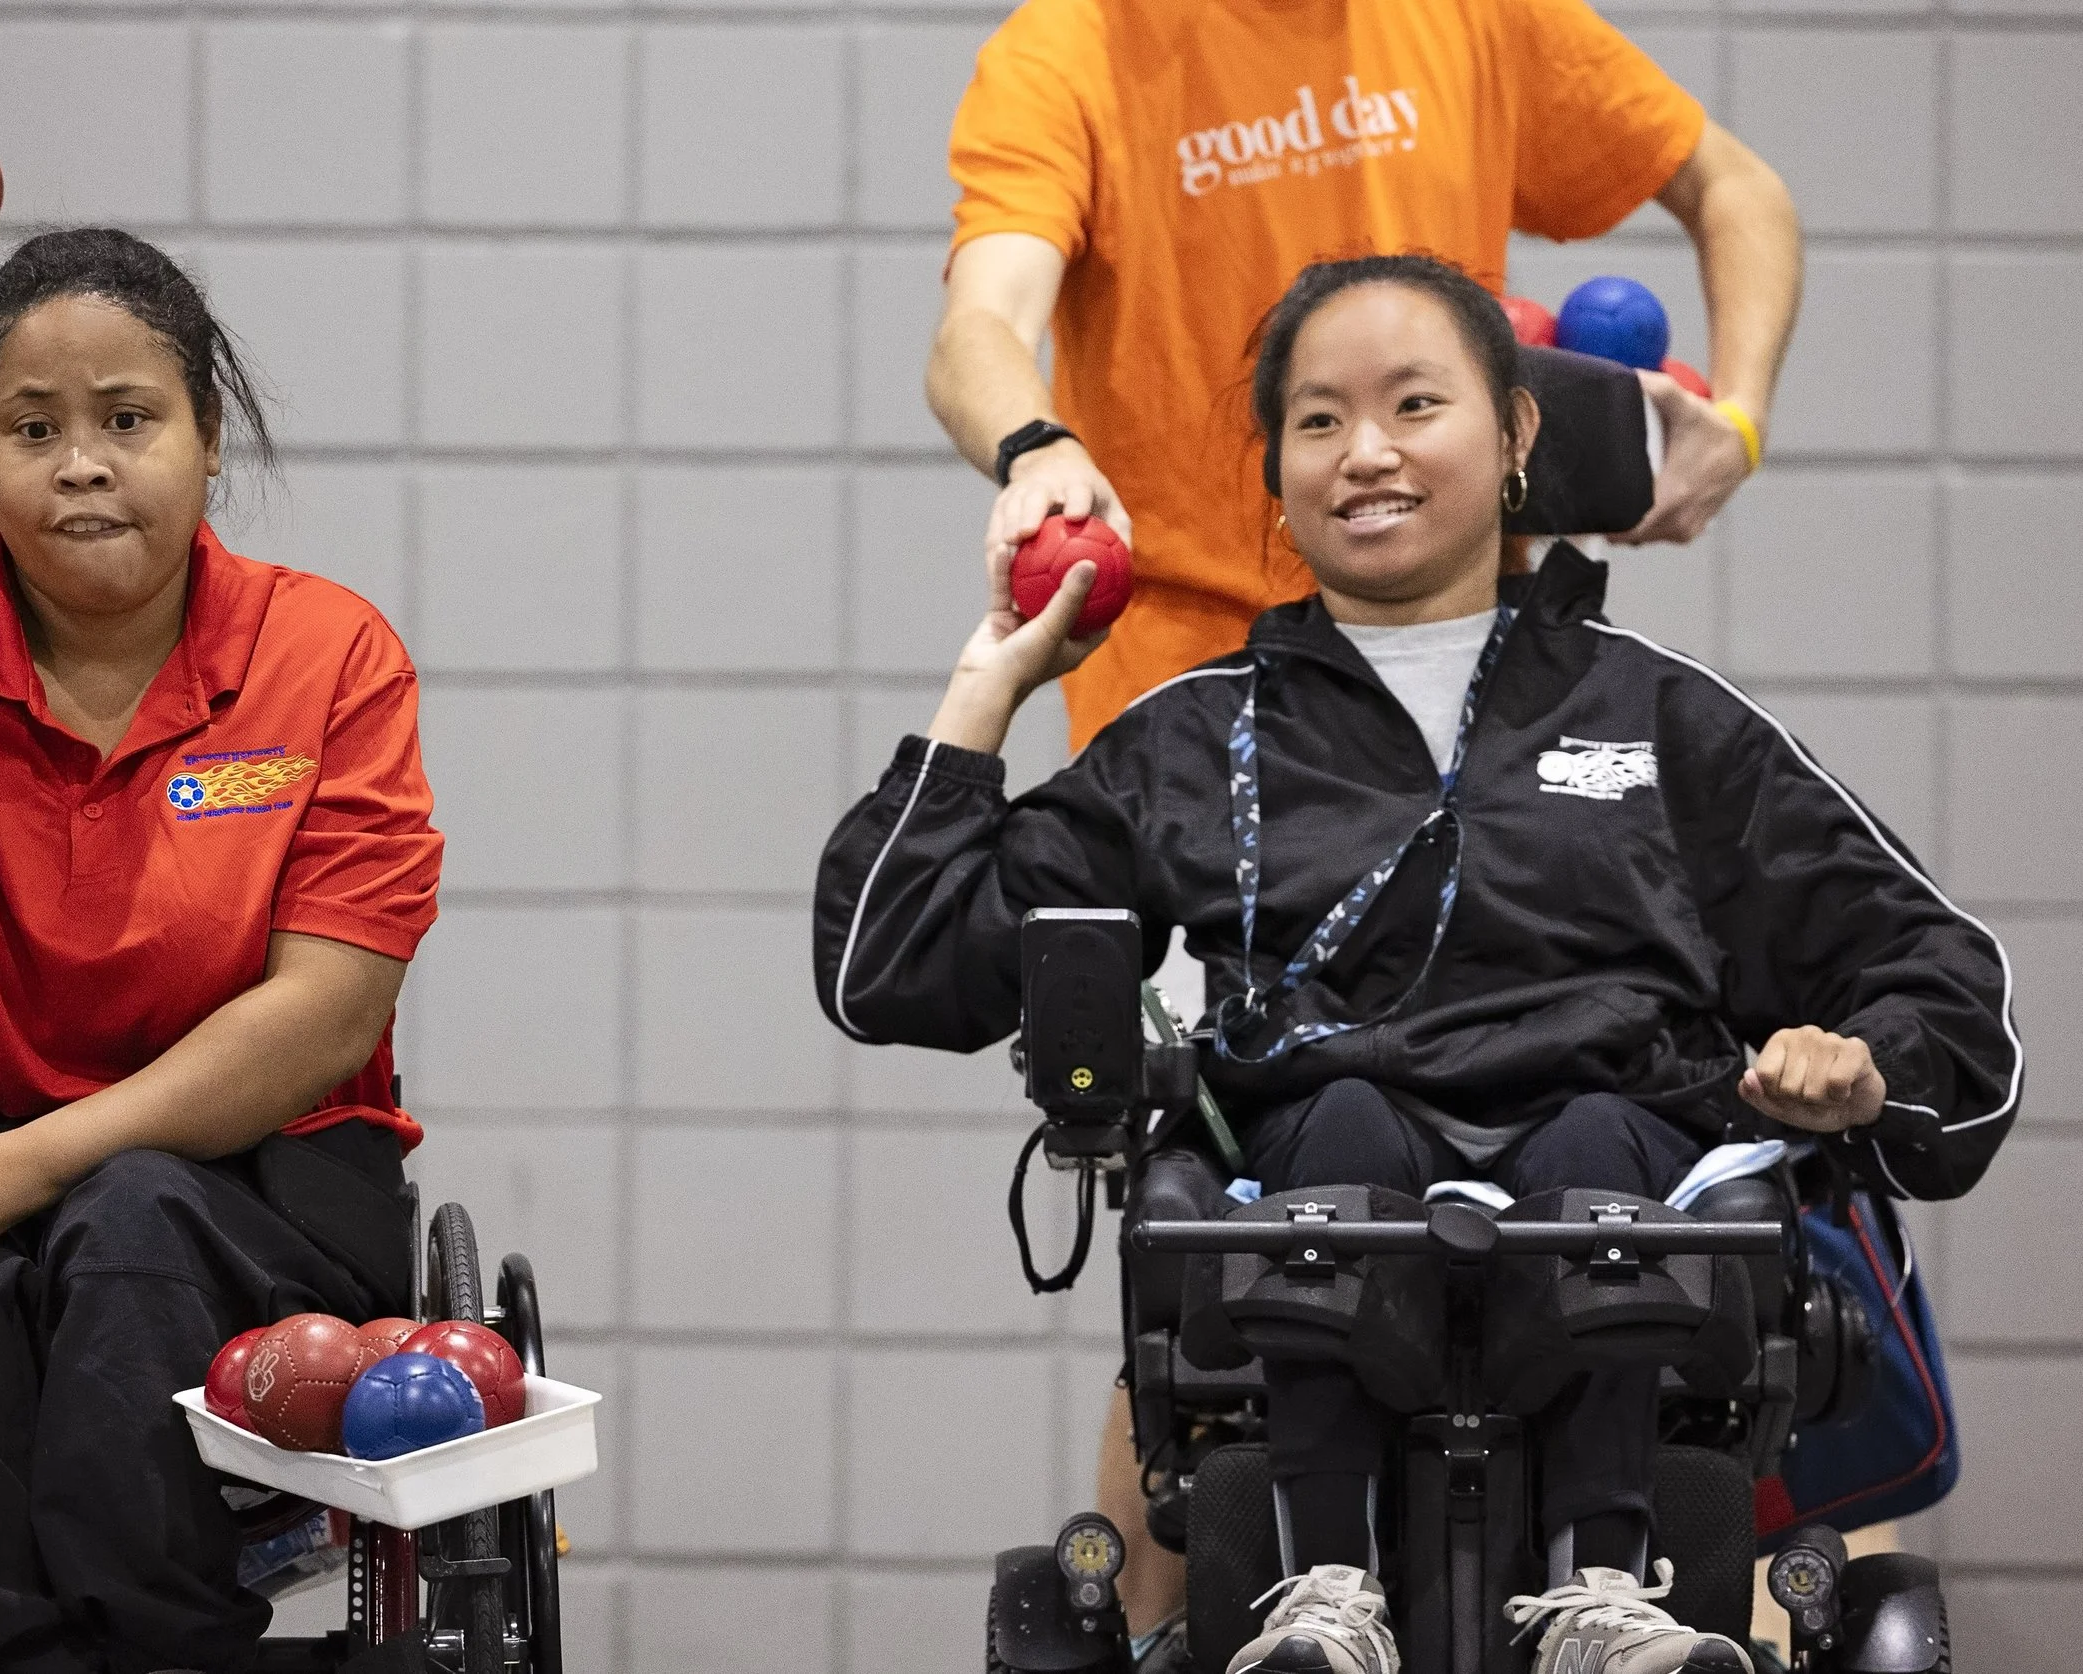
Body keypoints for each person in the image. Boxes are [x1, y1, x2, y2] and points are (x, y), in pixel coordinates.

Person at [820, 255, 2016, 1674]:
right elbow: (891, 964)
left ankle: (1607, 1601)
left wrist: (1863, 1060)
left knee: (1589, 1132)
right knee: (1340, 1123)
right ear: (1274, 469)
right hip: (1318, 1203)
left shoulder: (1663, 716)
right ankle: (1320, 1599)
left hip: (1619, 1197)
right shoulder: (1198, 738)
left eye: (1413, 404)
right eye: (1317, 420)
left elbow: (1944, 978)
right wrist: (988, 688)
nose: (1365, 451)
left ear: (1513, 437)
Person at [0, 218, 442, 1673]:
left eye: (128, 419)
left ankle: (164, 1647)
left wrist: (38, 1160)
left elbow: (325, 1013)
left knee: (125, 1220)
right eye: (29, 426)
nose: (81, 460)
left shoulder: (329, 654)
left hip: (247, 1176)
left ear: (207, 445)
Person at [928, 0, 1802, 753]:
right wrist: (1039, 450)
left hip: (1475, 659)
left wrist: (1740, 421)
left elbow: (1736, 186)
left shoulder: (1471, 15)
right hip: (1199, 687)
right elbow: (981, 324)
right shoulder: (1070, 47)